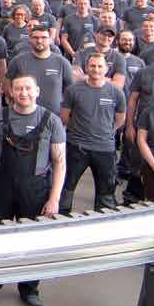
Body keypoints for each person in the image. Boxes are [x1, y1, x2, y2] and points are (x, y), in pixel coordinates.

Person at [0, 74, 67, 306]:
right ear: (11, 92)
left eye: (28, 88)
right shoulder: (0, 115)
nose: (23, 93)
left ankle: (29, 290)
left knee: (32, 242)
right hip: (2, 185)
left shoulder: (51, 120)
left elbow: (59, 162)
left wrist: (54, 198)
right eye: (18, 89)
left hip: (35, 189)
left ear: (37, 91)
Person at [59, 53, 127, 214]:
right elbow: (65, 116)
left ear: (106, 69)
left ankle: (102, 220)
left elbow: (120, 119)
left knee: (106, 192)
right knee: (66, 187)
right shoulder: (73, 90)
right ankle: (61, 218)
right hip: (76, 147)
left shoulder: (116, 92)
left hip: (105, 149)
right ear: (86, 68)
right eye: (92, 66)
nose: (96, 69)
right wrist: (79, 131)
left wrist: (106, 132)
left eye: (100, 66)